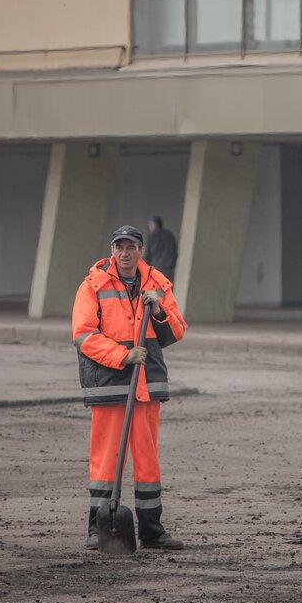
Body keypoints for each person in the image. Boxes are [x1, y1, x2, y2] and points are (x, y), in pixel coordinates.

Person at [73, 224, 187, 550]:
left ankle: (151, 529)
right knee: (106, 459)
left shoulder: (158, 284)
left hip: (146, 385)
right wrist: (123, 356)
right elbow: (83, 335)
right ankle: (98, 528)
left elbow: (177, 331)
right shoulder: (93, 285)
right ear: (112, 250)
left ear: (141, 251)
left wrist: (159, 309)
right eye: (119, 247)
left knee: (147, 460)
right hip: (110, 383)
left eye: (131, 247)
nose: (125, 253)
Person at [144, 216, 179, 281]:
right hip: (168, 269)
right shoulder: (170, 235)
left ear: (153, 224)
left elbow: (147, 255)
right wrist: (172, 265)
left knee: (154, 289)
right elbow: (175, 252)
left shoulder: (151, 236)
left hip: (155, 269)